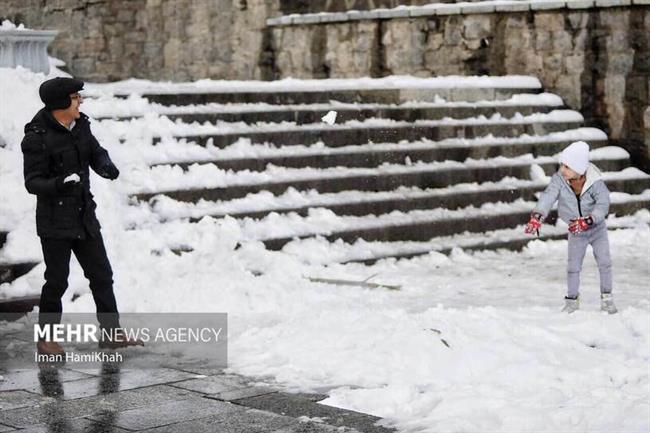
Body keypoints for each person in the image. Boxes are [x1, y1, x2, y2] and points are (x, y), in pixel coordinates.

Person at [21, 77, 142, 356]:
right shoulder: (36, 137)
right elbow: (32, 182)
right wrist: (58, 184)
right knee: (57, 280)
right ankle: (46, 339)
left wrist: (105, 165)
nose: (81, 101)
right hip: (54, 221)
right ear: (61, 103)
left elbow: (95, 152)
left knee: (102, 274)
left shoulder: (81, 126)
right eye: (76, 97)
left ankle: (111, 333)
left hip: (84, 216)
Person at [524, 141, 617, 314]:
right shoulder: (559, 179)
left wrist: (590, 220)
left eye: (567, 166)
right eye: (561, 165)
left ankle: (607, 299)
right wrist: (537, 216)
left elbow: (603, 204)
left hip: (597, 229)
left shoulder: (595, 182)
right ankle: (572, 301)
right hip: (576, 231)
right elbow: (548, 196)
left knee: (605, 263)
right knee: (573, 266)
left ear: (579, 168)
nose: (562, 169)